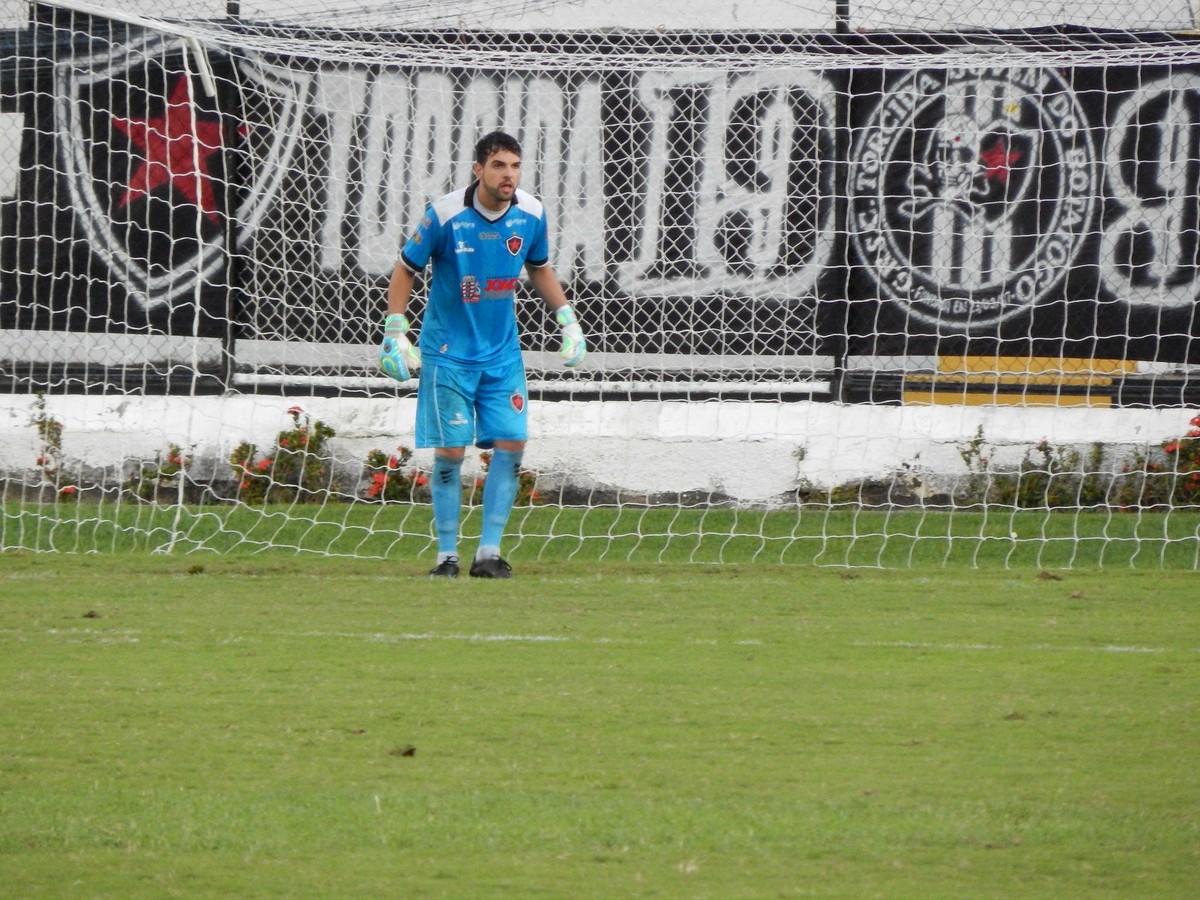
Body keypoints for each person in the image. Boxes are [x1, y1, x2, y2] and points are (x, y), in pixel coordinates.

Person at [379, 130, 587, 579]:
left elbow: (540, 268)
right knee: (451, 453)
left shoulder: (531, 213)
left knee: (513, 445)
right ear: (479, 170)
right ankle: (447, 557)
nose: (508, 174)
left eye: (514, 165)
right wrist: (396, 330)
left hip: (502, 355)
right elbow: (405, 269)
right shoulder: (445, 215)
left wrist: (568, 320)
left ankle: (488, 553)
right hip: (449, 354)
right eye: (498, 165)